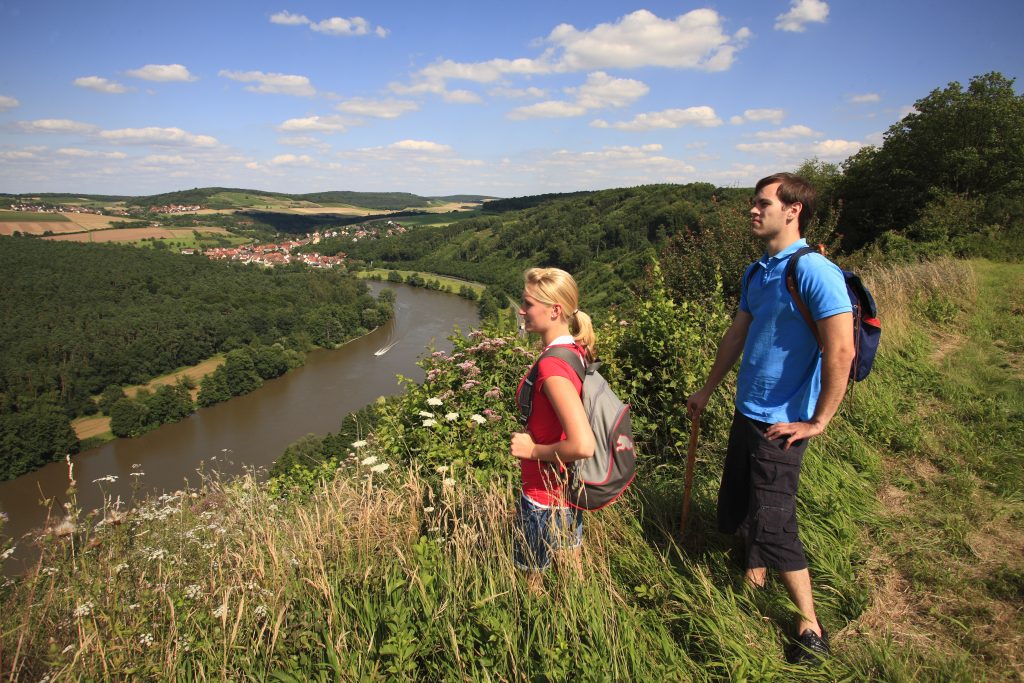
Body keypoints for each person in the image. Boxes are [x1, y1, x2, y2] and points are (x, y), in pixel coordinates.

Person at [686, 172, 854, 664]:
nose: (753, 211)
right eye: (753, 204)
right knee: (740, 499)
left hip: (783, 421)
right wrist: (707, 389)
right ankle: (752, 575)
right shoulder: (758, 272)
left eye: (763, 204)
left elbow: (840, 349)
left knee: (776, 519)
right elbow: (736, 336)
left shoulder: (815, 271)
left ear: (793, 210)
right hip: (748, 410)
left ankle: (810, 625)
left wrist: (819, 420)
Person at [511, 267, 596, 591]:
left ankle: (538, 638)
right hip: (565, 493)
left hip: (542, 499)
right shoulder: (573, 351)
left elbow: (583, 444)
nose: (522, 310)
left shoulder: (552, 365)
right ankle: (584, 633)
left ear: (554, 310)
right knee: (574, 583)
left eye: (528, 303)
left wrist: (532, 451)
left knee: (533, 589)